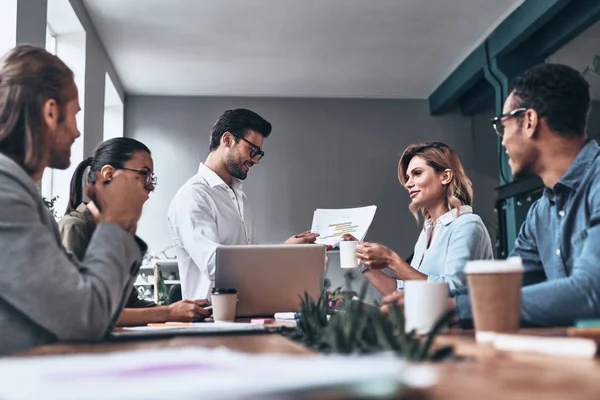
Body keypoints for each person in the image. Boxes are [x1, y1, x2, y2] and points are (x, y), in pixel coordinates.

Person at [383, 63, 600, 328]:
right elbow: (502, 285)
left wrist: (452, 307)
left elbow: (592, 290)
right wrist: (433, 302)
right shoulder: (540, 213)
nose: (503, 141)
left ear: (529, 122)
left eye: (502, 126)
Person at [0, 45, 148, 355]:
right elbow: (85, 321)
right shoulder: (5, 194)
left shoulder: (22, 197)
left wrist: (122, 223)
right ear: (51, 112)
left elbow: (99, 311)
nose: (78, 132)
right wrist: (116, 222)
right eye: (75, 115)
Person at [168, 109, 319, 300]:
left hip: (247, 313)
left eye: (259, 154)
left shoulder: (239, 197)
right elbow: (217, 268)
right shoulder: (193, 197)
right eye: (252, 150)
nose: (255, 160)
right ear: (228, 140)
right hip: (210, 322)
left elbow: (251, 264)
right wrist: (283, 251)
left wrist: (288, 251)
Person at [59, 138, 211, 326]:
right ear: (108, 174)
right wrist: (168, 312)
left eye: (152, 179)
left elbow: (129, 304)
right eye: (144, 175)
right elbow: (81, 313)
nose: (151, 187)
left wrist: (181, 309)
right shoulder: (74, 227)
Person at [344, 142, 493, 296]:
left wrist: (391, 260)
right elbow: (407, 292)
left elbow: (452, 292)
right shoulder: (427, 232)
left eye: (417, 173)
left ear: (445, 176)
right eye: (408, 177)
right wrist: (362, 261)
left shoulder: (467, 224)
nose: (408, 184)